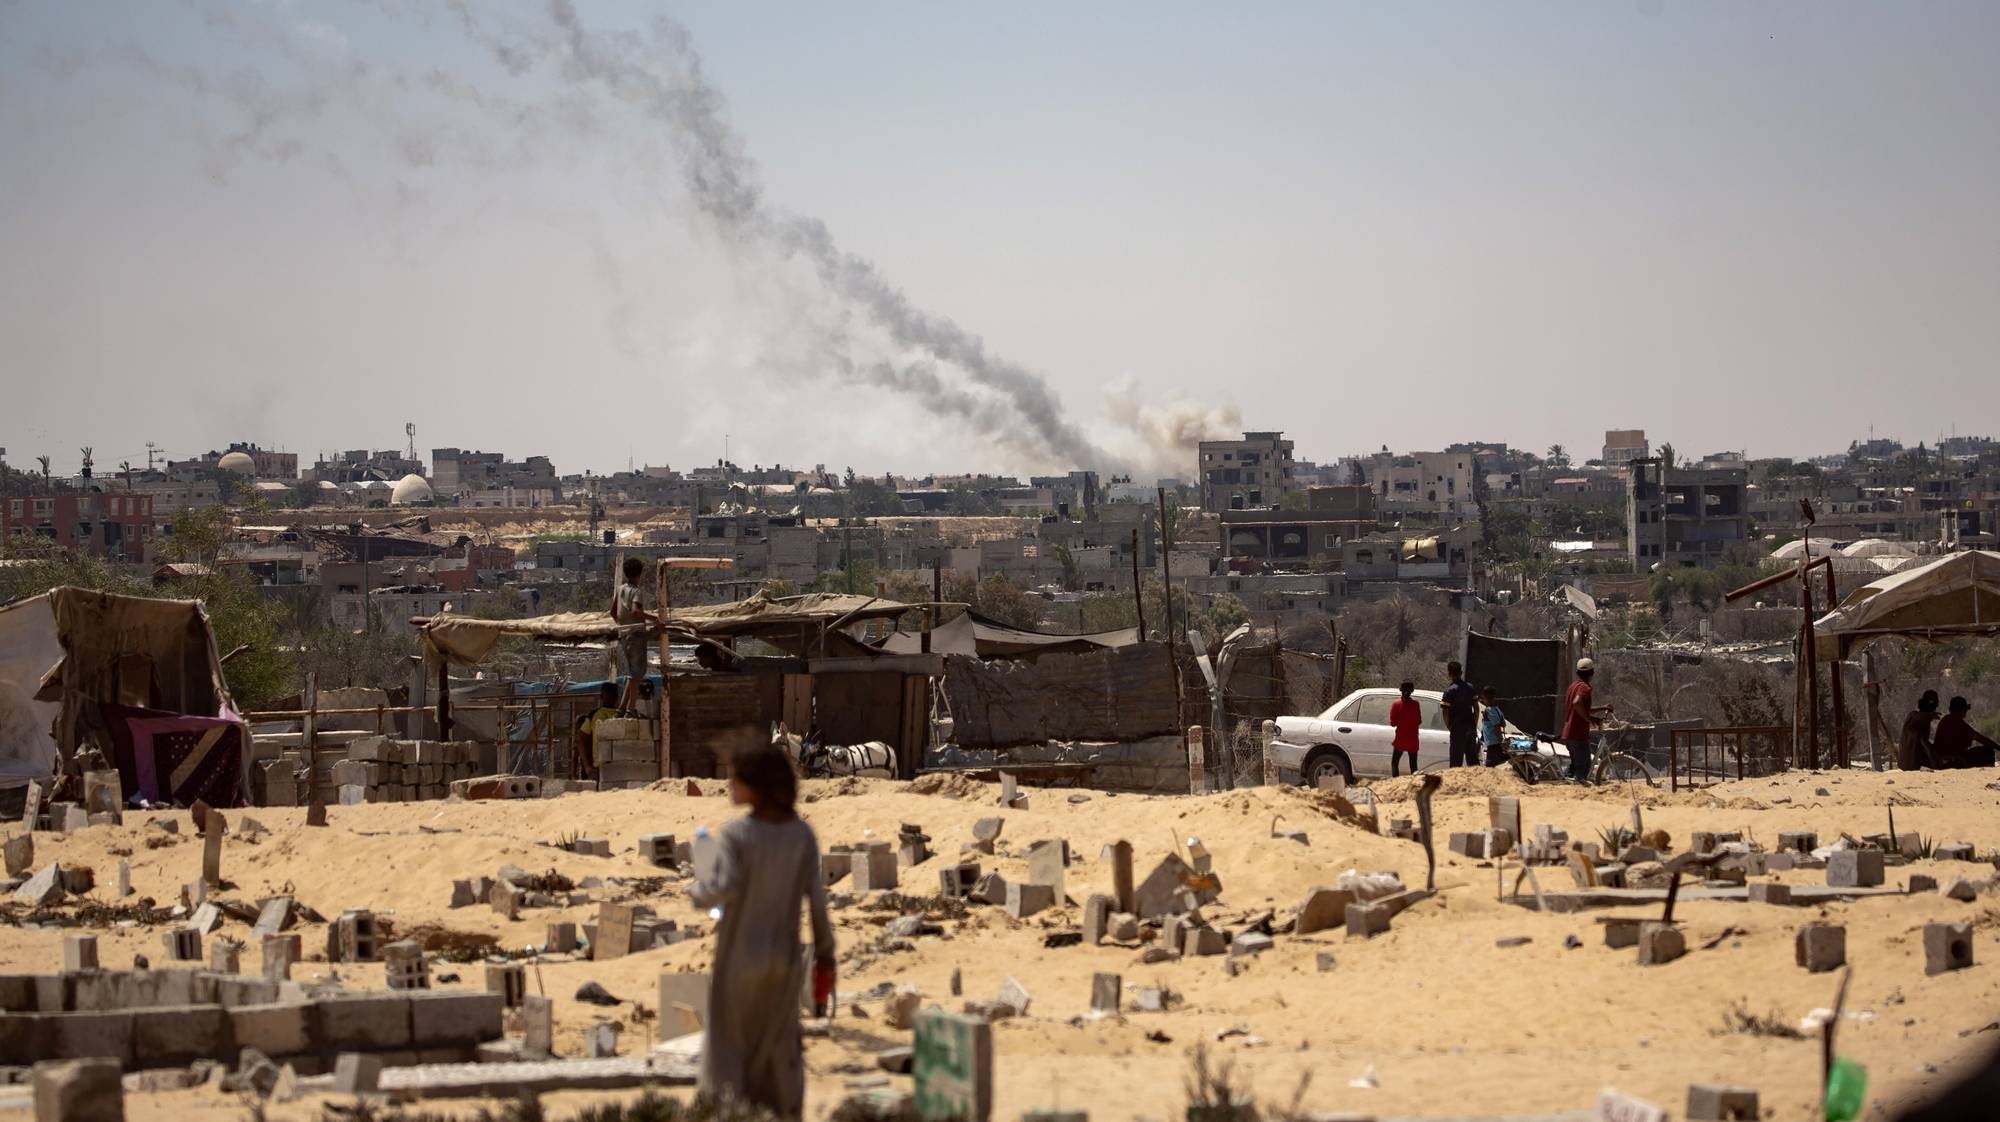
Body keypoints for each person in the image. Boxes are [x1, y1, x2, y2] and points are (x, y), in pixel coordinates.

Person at [689, 739, 835, 1118]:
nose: (728, 786)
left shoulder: (738, 834)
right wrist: (825, 959)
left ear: (755, 784)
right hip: (786, 963)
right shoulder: (802, 834)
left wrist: (697, 891)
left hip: (739, 959)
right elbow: (817, 905)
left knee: (727, 1055)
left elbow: (724, 886)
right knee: (777, 1051)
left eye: (734, 778)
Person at [612, 556, 659, 715]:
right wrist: (655, 619)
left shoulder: (620, 590)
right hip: (636, 635)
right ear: (639, 574)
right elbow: (636, 611)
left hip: (624, 635)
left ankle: (621, 708)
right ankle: (630, 709)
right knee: (637, 674)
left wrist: (622, 625)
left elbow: (613, 612)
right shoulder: (636, 591)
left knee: (632, 674)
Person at [1562, 658, 1613, 782]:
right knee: (1583, 771)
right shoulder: (1584, 688)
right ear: (1592, 673)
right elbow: (1577, 703)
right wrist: (1589, 719)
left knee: (1575, 769)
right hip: (1578, 734)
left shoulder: (1572, 686)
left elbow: (1582, 708)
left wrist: (1602, 708)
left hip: (1568, 734)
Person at [1932, 696, 1997, 769]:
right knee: (1988, 751)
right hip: (1954, 759)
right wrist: (1998, 747)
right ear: (1962, 710)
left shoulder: (1946, 720)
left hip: (1945, 757)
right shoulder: (1957, 722)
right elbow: (1979, 738)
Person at [573, 682, 619, 781]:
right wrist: (587, 766)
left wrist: (587, 766)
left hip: (619, 765)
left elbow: (580, 740)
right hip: (600, 767)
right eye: (608, 695)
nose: (609, 698)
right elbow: (581, 740)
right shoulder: (594, 715)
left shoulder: (622, 715)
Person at [1441, 660, 1479, 767]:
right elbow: (1476, 708)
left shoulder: (1449, 691)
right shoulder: (1470, 688)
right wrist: (1474, 725)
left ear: (1449, 673)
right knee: (1473, 760)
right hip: (1470, 727)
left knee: (1456, 762)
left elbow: (1445, 712)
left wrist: (1449, 726)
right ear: (1461, 673)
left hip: (1457, 728)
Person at [1896, 690, 1941, 771]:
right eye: (1937, 702)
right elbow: (1924, 743)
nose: (1938, 704)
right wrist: (1935, 763)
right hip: (1912, 764)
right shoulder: (1923, 720)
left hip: (1903, 763)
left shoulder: (1913, 715)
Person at [1389, 680, 1422, 777]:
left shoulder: (1396, 705)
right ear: (1412, 691)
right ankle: (1415, 784)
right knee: (1413, 765)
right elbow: (1419, 721)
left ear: (1401, 690)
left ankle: (1395, 783)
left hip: (1401, 738)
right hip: (1413, 739)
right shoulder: (1416, 705)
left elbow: (1393, 723)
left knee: (1395, 763)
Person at [1478, 685, 1508, 766]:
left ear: (1484, 697)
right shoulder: (1497, 709)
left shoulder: (1489, 710)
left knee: (1490, 766)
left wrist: (1500, 741)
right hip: (1495, 743)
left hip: (1493, 743)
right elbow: (1503, 724)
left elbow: (1497, 726)